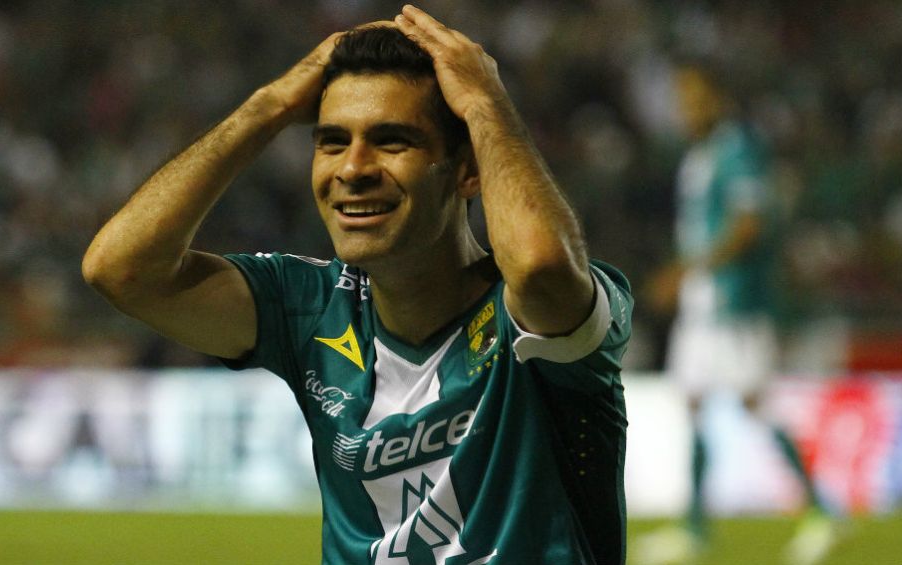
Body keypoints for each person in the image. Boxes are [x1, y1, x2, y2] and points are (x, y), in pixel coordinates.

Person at [83, 6, 633, 564]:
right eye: (332, 142)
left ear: (469, 170)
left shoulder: (541, 315)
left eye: (391, 141)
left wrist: (484, 104)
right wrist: (269, 106)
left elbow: (539, 266)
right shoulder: (311, 308)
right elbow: (122, 270)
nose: (353, 169)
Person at [637, 60, 834, 565]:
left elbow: (750, 225)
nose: (687, 109)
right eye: (682, 100)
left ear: (718, 98)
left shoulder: (739, 148)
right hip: (702, 305)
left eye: (695, 97)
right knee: (693, 403)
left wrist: (686, 269)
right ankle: (694, 528)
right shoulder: (698, 156)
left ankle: (819, 513)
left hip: (735, 303)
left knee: (755, 403)